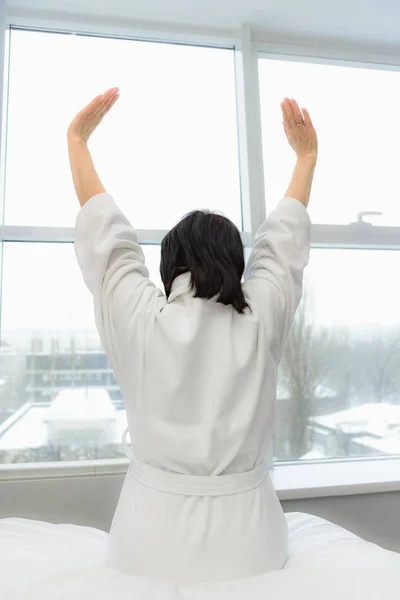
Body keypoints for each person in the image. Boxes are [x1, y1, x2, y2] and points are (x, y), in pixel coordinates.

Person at [66, 88, 316, 584]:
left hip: (145, 543)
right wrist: (306, 158)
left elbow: (109, 241)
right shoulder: (260, 316)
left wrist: (77, 144)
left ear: (169, 264)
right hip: (252, 547)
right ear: (236, 264)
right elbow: (283, 245)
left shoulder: (138, 316)